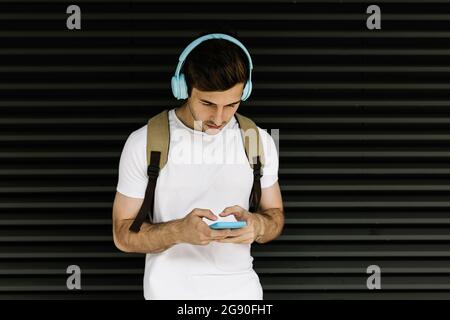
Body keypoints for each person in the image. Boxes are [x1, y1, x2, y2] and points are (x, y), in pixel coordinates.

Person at [112, 32, 284, 300]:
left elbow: (275, 215)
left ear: (245, 93)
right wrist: (178, 231)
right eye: (207, 104)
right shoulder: (145, 141)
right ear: (183, 88)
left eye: (231, 104)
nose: (219, 117)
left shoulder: (258, 140)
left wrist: (258, 226)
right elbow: (122, 234)